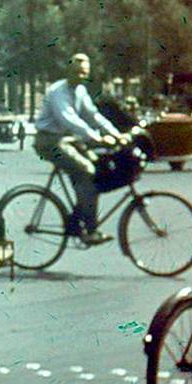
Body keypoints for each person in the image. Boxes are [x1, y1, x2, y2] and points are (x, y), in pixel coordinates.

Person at [33, 53, 123, 245]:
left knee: (97, 168)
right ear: (68, 71)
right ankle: (89, 230)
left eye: (84, 73)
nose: (80, 76)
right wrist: (97, 138)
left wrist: (116, 134)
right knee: (85, 170)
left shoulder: (80, 91)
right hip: (49, 141)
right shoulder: (58, 92)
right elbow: (70, 120)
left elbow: (93, 116)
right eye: (76, 72)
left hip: (67, 139)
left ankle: (78, 218)